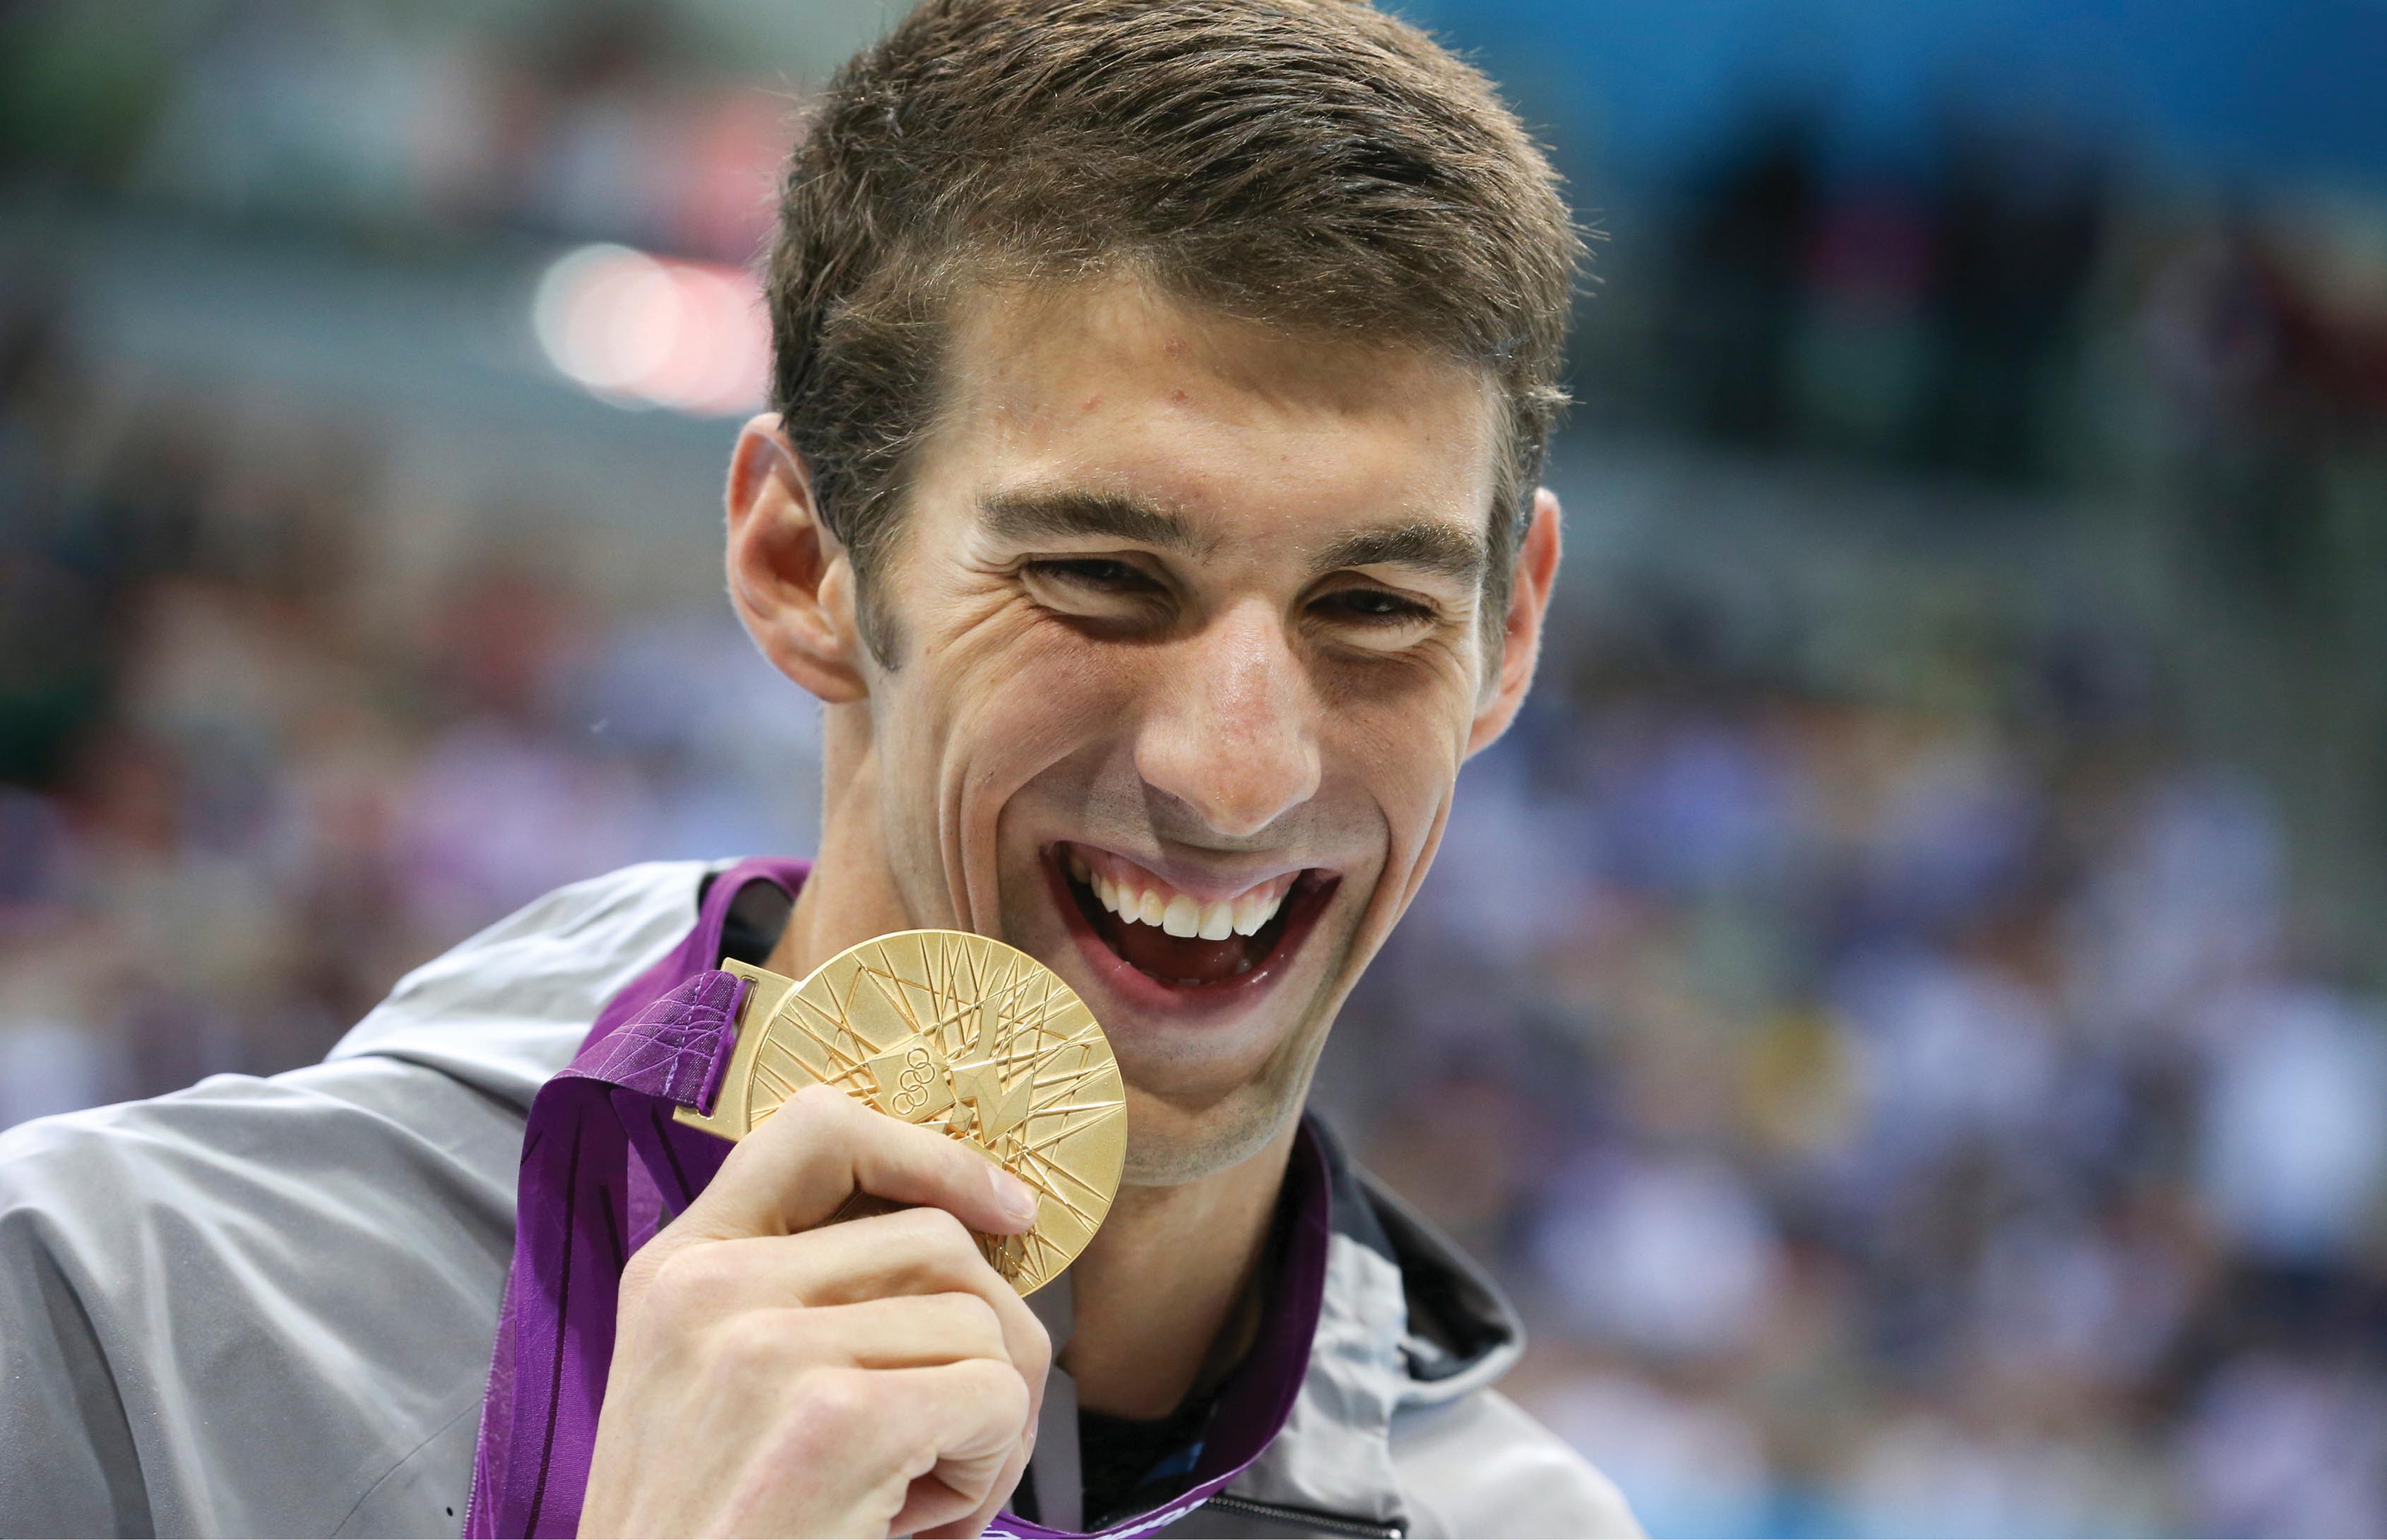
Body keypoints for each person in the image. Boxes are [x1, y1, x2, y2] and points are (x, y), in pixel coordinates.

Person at [0, 1, 1640, 1534]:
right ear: (801, 559)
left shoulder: (1522, 1519)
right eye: (1098, 576)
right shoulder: (110, 1329)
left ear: (1509, 634)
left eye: (1373, 606)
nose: (1234, 775)